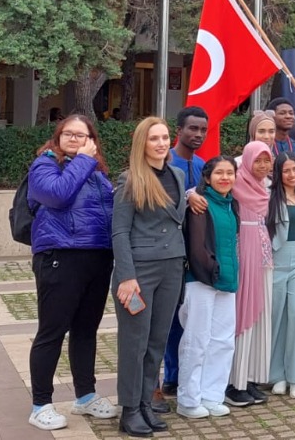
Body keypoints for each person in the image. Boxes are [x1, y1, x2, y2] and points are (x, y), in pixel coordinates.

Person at [25, 115, 119, 432]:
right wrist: (83, 161)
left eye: (83, 135)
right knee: (52, 331)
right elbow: (57, 195)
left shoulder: (96, 172)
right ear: (58, 136)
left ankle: (86, 396)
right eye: (69, 134)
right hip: (60, 256)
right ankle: (40, 404)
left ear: (92, 139)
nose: (75, 139)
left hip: (97, 257)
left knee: (85, 331)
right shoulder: (45, 165)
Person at [111, 117, 189, 436]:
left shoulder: (178, 175)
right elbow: (119, 231)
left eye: (165, 137)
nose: (160, 143)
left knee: (156, 342)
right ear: (142, 143)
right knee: (135, 343)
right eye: (153, 138)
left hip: (172, 266)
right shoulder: (130, 180)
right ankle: (129, 409)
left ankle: (145, 404)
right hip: (140, 271)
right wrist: (126, 276)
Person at [176, 156, 239, 420]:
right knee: (196, 340)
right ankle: (188, 399)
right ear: (207, 177)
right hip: (202, 280)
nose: (225, 178)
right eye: (219, 173)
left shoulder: (231, 204)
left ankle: (212, 395)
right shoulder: (199, 203)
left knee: (223, 341)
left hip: (227, 280)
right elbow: (197, 245)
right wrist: (211, 270)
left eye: (230, 173)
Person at [159, 106, 210, 409]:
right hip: (168, 254)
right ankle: (171, 377)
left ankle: (190, 376)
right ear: (178, 129)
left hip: (195, 255)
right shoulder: (166, 163)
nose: (198, 135)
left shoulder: (203, 164)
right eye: (193, 128)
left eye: (203, 130)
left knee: (191, 319)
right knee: (170, 321)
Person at [226, 143, 276, 407]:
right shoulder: (235, 184)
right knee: (243, 313)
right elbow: (200, 191)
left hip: (263, 255)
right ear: (246, 161)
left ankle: (252, 377)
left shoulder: (265, 187)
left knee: (261, 314)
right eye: (258, 161)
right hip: (243, 253)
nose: (264, 166)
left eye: (267, 161)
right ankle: (235, 381)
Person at [266, 153, 295, 399]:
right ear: (278, 174)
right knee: (277, 317)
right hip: (277, 260)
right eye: (286, 171)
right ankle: (277, 375)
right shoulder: (269, 199)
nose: (292, 174)